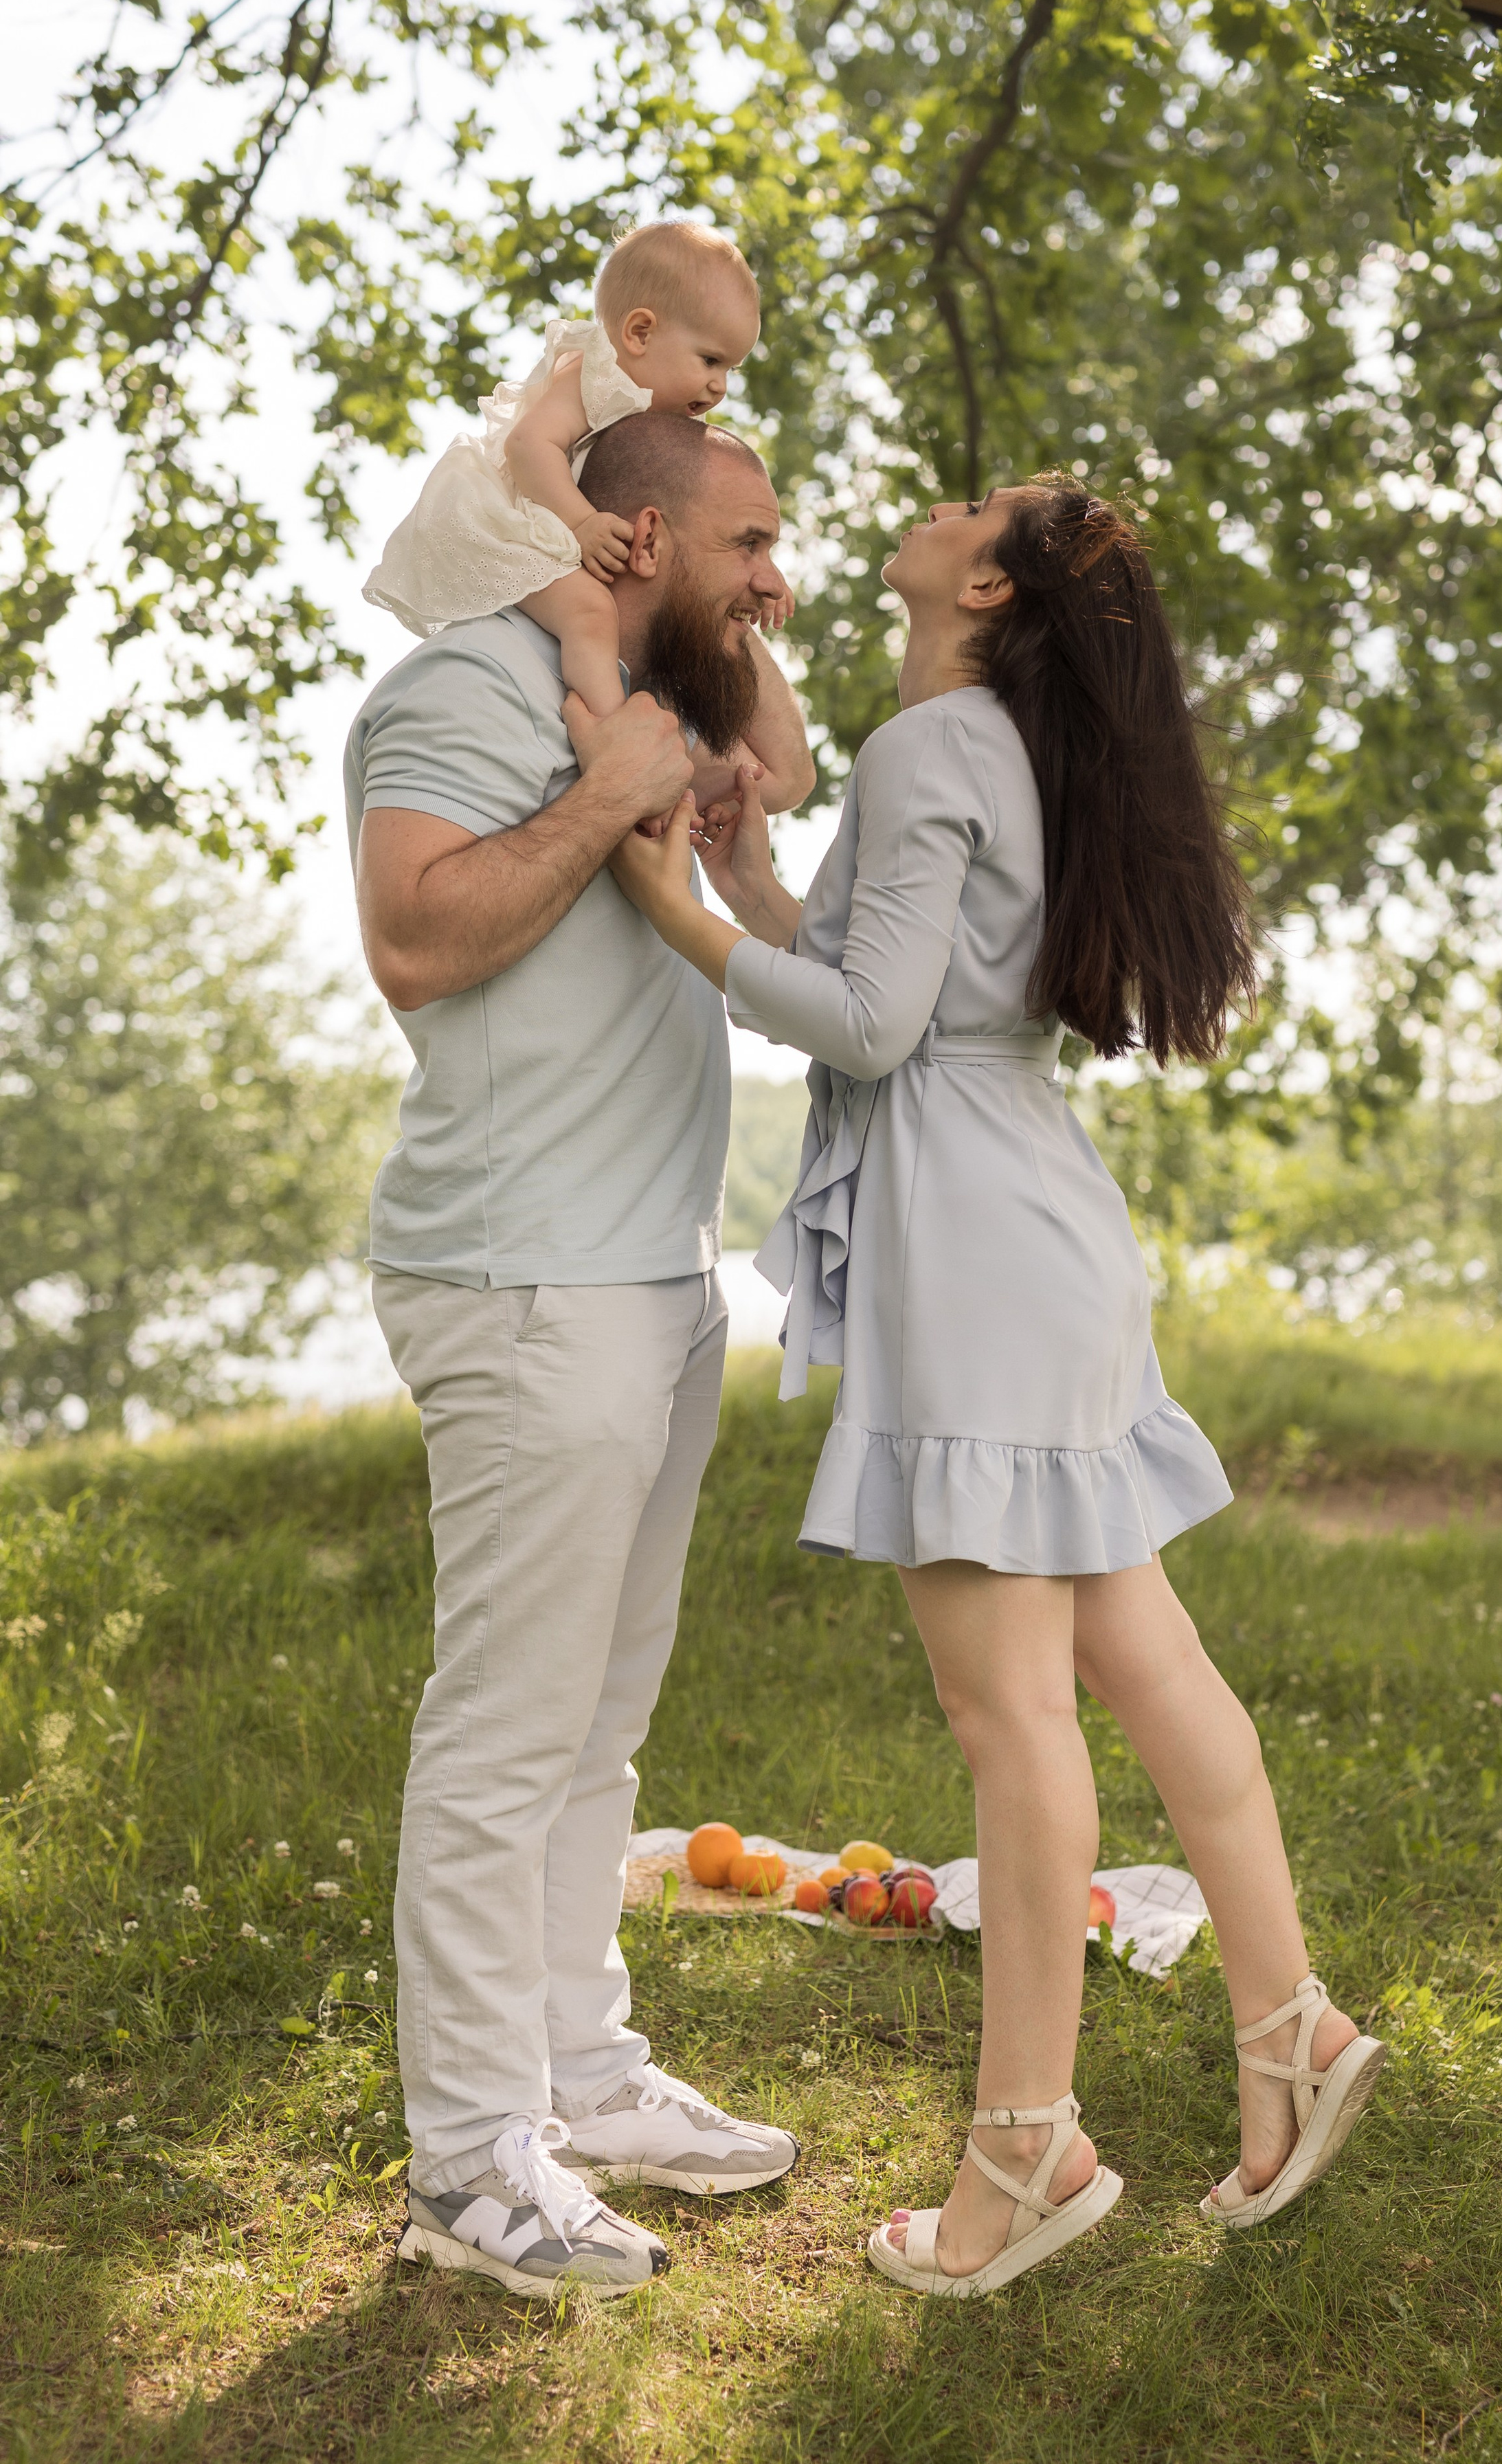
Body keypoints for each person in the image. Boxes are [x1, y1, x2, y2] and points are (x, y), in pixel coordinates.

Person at [608, 475, 1386, 2299]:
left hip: (973, 1257)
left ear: (991, 580)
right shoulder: (1007, 747)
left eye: (976, 501)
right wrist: (745, 883)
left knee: (1012, 1718)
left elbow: (870, 1029)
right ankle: (1290, 2021)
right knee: (1142, 1657)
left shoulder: (934, 732)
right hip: (1044, 1231)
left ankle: (1024, 2145)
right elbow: (916, 987)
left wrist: (671, 912)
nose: (938, 498)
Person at [347, 410, 814, 2305]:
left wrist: (681, 715)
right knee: (506, 1733)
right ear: (633, 535)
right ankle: (470, 2162)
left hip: (651, 1278)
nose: (781, 573)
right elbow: (413, 934)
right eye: (754, 539)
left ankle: (580, 2077)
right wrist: (596, 782)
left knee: (597, 1730)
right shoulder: (456, 686)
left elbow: (769, 735)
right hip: (528, 1285)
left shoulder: (664, 701)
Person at [363, 219, 786, 809]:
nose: (717, 387)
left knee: (594, 611)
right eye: (710, 360)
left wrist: (749, 586)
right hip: (508, 522)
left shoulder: (643, 405)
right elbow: (528, 447)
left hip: (548, 523)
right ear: (639, 332)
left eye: (729, 371)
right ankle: (614, 741)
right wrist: (583, 522)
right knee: (589, 609)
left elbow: (789, 779)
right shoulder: (590, 375)